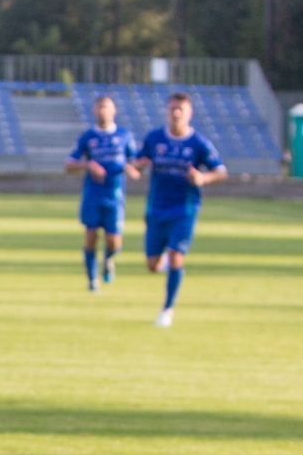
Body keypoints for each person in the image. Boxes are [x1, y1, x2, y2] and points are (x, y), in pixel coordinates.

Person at [130, 91, 227, 327]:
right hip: (156, 209)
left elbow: (221, 171)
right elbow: (135, 165)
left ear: (189, 113)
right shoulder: (154, 138)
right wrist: (136, 167)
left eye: (180, 109)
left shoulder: (198, 143)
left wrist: (202, 178)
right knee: (152, 265)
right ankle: (163, 260)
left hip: (184, 209)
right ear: (167, 111)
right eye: (172, 109)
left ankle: (167, 309)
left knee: (176, 255)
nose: (175, 113)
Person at [64, 95, 139, 292]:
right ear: (94, 111)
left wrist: (132, 168)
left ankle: (108, 259)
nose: (103, 110)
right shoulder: (88, 137)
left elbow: (136, 161)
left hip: (115, 196)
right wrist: (88, 165)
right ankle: (92, 280)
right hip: (93, 194)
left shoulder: (124, 135)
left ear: (114, 110)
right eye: (99, 107)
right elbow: (69, 164)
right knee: (91, 236)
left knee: (114, 241)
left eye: (106, 107)